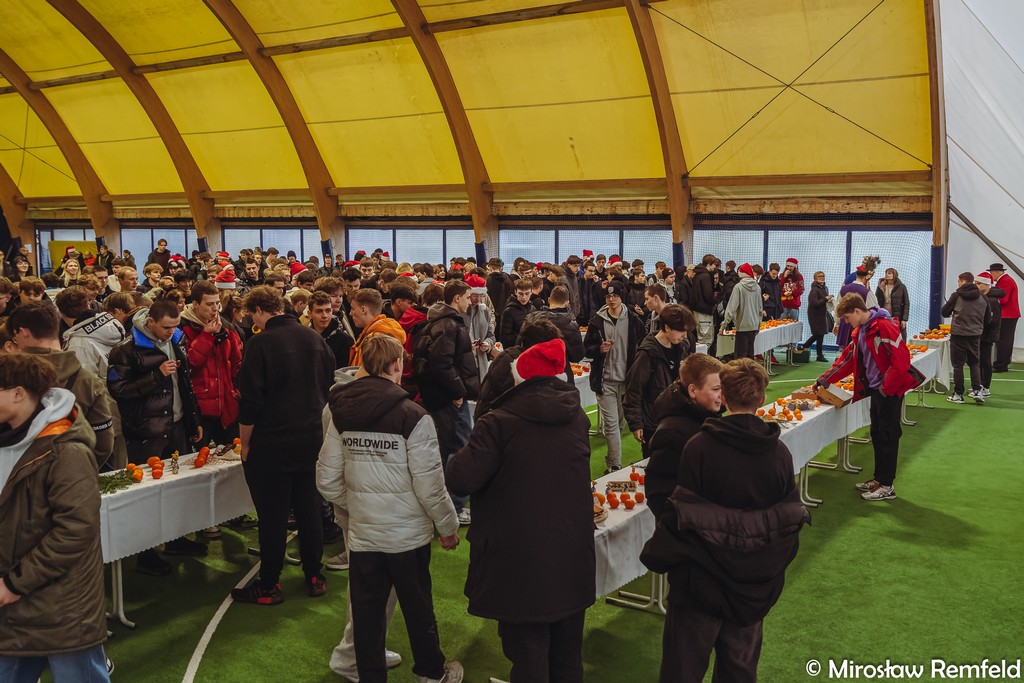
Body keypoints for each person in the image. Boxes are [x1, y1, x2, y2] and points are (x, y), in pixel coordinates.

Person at [641, 358, 809, 683]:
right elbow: (788, 524)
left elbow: (679, 516)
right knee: (739, 672)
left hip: (699, 586)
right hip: (751, 589)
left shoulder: (699, 447)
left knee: (682, 672)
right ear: (762, 398)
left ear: (725, 397)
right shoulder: (778, 454)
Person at [317, 335, 463, 683]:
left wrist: (358, 503)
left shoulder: (339, 412)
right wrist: (447, 527)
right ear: (397, 365)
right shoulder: (414, 416)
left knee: (366, 612)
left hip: (364, 534)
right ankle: (432, 673)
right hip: (406, 536)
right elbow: (430, 485)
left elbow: (326, 479)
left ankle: (370, 676)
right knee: (418, 608)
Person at [447, 338, 594, 683]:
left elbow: (461, 478)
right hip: (571, 554)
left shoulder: (498, 423)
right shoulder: (575, 416)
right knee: (567, 657)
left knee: (528, 657)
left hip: (520, 561)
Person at [0, 355, 111, 683]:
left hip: (63, 605)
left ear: (18, 393)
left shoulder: (66, 450)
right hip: (14, 602)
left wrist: (15, 583)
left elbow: (75, 529)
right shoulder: (10, 437)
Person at [232, 286, 335, 604]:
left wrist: (245, 444)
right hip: (311, 439)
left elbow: (250, 401)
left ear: (258, 311)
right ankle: (314, 576)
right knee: (310, 510)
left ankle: (269, 585)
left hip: (272, 442)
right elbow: (328, 384)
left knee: (273, 516)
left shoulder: (259, 343)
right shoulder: (314, 338)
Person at [107, 298, 207, 572]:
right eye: (166, 327)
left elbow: (185, 384)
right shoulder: (124, 350)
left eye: (175, 326)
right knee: (146, 495)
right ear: (150, 322)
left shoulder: (176, 339)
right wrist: (156, 376)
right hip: (145, 434)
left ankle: (175, 539)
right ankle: (145, 553)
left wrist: (193, 420)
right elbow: (118, 390)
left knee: (176, 489)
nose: (171, 332)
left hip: (177, 427)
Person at [815, 293, 924, 500]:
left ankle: (887, 486)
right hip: (877, 390)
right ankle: (878, 479)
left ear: (857, 311)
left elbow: (901, 362)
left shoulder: (885, 327)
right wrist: (825, 379)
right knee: (877, 433)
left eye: (847, 318)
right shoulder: (860, 331)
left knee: (888, 436)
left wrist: (885, 389)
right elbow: (848, 359)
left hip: (889, 391)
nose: (847, 322)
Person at [8, 301, 123, 472]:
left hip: (19, 475)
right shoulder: (87, 379)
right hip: (76, 472)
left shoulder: (9, 377)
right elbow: (104, 442)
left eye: (14, 336)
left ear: (22, 332)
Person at [412, 280, 478, 525]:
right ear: (457, 298)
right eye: (467, 297)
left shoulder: (440, 321)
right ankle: (454, 507)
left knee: (444, 449)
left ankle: (442, 504)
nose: (470, 302)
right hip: (449, 398)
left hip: (440, 397)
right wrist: (458, 392)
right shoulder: (449, 324)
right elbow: (441, 363)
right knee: (459, 450)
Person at [644, 354, 724, 518]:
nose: (722, 396)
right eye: (716, 389)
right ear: (693, 390)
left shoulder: (707, 417)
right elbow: (658, 493)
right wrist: (687, 523)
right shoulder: (672, 433)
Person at [583, 281, 645, 474]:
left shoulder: (634, 320)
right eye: (608, 296)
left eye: (615, 296)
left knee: (619, 424)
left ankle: (612, 459)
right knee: (611, 425)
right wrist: (598, 350)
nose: (611, 299)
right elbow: (586, 349)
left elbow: (643, 346)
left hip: (627, 382)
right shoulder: (596, 321)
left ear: (621, 297)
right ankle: (615, 465)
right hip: (605, 381)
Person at [624, 304, 694, 457]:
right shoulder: (647, 354)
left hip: (679, 420)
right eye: (681, 331)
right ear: (667, 327)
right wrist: (636, 423)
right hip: (654, 423)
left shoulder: (683, 346)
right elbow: (634, 389)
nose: (685, 336)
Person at [179, 281, 242, 444]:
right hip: (199, 409)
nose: (215, 309)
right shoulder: (181, 328)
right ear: (195, 304)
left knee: (233, 454)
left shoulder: (227, 328)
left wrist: (236, 391)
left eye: (217, 303)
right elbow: (189, 364)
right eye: (209, 304)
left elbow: (237, 362)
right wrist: (206, 336)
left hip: (226, 406)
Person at [941, 272, 991, 404]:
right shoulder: (983, 297)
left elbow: (944, 312)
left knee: (958, 365)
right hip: (975, 335)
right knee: (974, 363)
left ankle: (958, 394)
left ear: (963, 281)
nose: (958, 284)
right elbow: (988, 319)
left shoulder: (956, 295)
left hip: (958, 335)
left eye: (958, 281)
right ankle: (977, 391)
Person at [59, 286, 126, 378]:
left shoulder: (78, 343)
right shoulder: (112, 323)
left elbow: (83, 381)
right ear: (88, 305)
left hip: (102, 386)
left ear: (61, 313)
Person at [522, 285, 584, 380]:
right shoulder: (571, 325)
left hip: (533, 374)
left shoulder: (530, 320)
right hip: (560, 376)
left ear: (549, 299)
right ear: (567, 303)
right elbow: (577, 356)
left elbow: (520, 346)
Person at [348, 288, 407, 368]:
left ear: (363, 310)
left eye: (353, 308)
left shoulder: (374, 342)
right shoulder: (382, 332)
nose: (350, 313)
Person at [720, 263, 762, 359]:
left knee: (740, 356)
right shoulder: (757, 287)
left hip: (742, 326)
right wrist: (758, 324)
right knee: (750, 355)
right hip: (753, 326)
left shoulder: (738, 287)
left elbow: (731, 308)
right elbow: (760, 308)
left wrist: (724, 325)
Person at [307, 291, 355, 370]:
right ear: (310, 314)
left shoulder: (345, 340)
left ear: (332, 311)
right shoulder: (305, 338)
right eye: (319, 311)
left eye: (328, 310)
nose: (324, 315)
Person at [975, 272, 1004, 398]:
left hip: (987, 336)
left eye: (979, 283)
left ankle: (985, 387)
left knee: (985, 362)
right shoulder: (983, 298)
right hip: (980, 333)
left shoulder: (992, 301)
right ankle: (980, 385)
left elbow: (992, 320)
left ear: (987, 285)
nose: (976, 286)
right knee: (980, 361)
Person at [464, 276, 496, 383]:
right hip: (465, 363)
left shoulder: (485, 310)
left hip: (480, 362)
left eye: (481, 296)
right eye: (474, 296)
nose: (478, 299)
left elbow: (491, 335)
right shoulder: (461, 312)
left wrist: (488, 344)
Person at [989, 263, 1019, 373]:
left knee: (1003, 340)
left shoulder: (1005, 281)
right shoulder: (1006, 280)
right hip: (1010, 314)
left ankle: (1000, 365)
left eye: (991, 273)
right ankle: (1003, 363)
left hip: (1007, 315)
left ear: (997, 272)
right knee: (1005, 340)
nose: (991, 275)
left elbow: (1003, 299)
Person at [800, 271, 834, 362]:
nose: (822, 277)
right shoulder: (814, 290)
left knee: (820, 335)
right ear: (815, 278)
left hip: (822, 314)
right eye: (819, 276)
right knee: (818, 334)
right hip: (815, 315)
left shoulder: (824, 288)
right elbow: (814, 303)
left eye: (823, 276)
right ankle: (805, 347)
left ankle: (818, 354)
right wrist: (826, 298)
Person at [835, 265, 871, 347]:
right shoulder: (867, 292)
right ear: (866, 277)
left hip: (844, 325)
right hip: (859, 326)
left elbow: (838, 307)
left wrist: (836, 323)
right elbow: (873, 309)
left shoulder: (843, 289)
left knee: (844, 350)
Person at [499, 278, 536, 349]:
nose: (524, 297)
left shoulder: (533, 308)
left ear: (531, 292)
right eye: (520, 294)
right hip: (515, 350)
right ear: (515, 292)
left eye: (527, 294)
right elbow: (505, 338)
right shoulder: (509, 311)